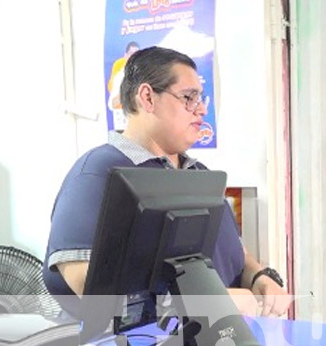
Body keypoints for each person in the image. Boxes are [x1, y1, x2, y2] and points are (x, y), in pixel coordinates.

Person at [44, 46, 289, 322]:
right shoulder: (95, 175)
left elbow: (233, 251)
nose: (202, 109)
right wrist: (211, 302)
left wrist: (258, 276)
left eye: (201, 98)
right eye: (188, 98)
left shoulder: (198, 175)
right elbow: (94, 294)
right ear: (148, 97)